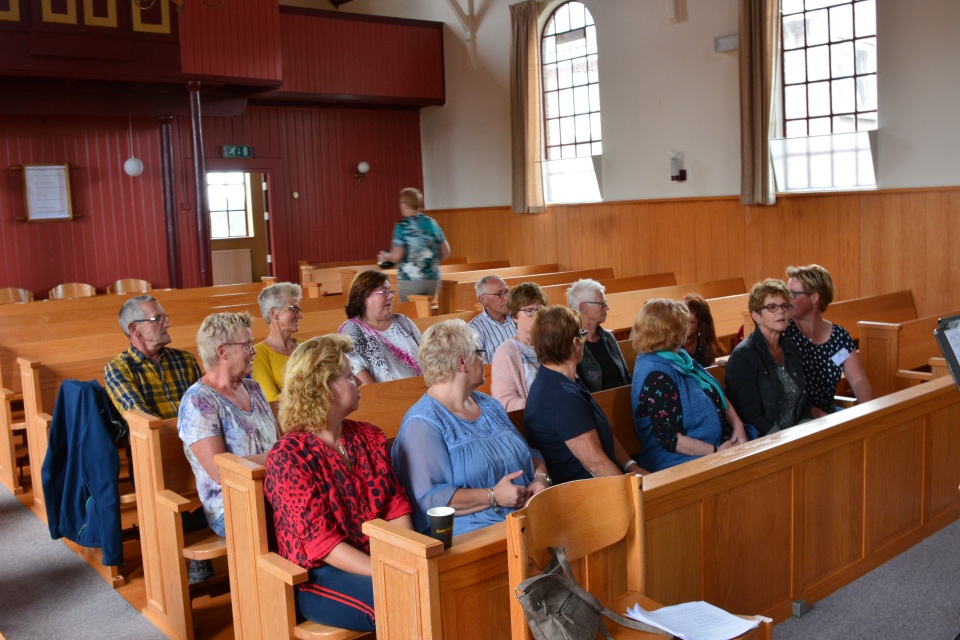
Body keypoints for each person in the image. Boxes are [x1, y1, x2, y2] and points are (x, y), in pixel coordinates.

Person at [264, 335, 413, 632]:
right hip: (320, 574)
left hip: (378, 555)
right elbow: (322, 543)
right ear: (324, 388)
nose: (357, 382)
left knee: (441, 574)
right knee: (400, 597)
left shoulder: (368, 436)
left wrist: (407, 556)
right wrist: (391, 570)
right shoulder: (289, 455)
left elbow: (395, 506)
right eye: (348, 376)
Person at [391, 319, 549, 536]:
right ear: (462, 362)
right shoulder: (422, 424)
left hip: (528, 516)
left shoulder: (490, 405)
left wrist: (541, 478)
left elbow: (529, 453)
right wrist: (493, 495)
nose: (484, 360)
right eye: (479, 354)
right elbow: (429, 498)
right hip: (475, 532)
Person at [178, 312, 278, 541]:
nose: (253, 351)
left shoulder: (253, 388)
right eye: (247, 345)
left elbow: (277, 441)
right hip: (232, 505)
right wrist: (279, 457)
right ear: (222, 351)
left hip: (274, 491)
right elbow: (219, 471)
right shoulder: (198, 401)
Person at [524, 306, 648, 484]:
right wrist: (635, 492)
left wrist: (631, 466)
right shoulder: (559, 397)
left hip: (601, 481)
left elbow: (602, 431)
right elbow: (595, 463)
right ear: (575, 343)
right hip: (584, 490)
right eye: (582, 334)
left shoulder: (563, 380)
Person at [631, 299, 752, 472]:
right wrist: (717, 452)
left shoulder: (679, 356)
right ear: (671, 331)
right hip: (678, 460)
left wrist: (738, 427)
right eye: (684, 324)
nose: (687, 328)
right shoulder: (656, 375)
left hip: (715, 445)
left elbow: (713, 391)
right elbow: (669, 439)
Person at [783, 264, 874, 416]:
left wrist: (871, 414)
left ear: (814, 297)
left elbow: (858, 380)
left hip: (827, 412)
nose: (787, 300)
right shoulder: (785, 332)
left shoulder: (839, 337)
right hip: (796, 416)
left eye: (793, 294)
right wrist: (815, 414)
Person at [725, 280, 811, 436]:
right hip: (766, 438)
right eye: (772, 307)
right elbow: (748, 413)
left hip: (796, 434)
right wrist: (782, 439)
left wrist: (806, 429)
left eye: (784, 306)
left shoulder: (791, 348)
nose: (781, 312)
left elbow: (803, 399)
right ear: (756, 316)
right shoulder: (743, 356)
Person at [104, 295, 202, 420]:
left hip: (196, 431)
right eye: (157, 319)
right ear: (134, 328)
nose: (167, 324)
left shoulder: (186, 359)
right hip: (156, 432)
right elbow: (140, 416)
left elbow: (204, 405)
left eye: (165, 318)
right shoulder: (118, 368)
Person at [338, 270, 423, 385]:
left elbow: (426, 354)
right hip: (387, 394)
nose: (390, 296)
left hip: (424, 388)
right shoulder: (352, 329)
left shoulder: (403, 321)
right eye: (383, 292)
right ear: (364, 297)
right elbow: (357, 372)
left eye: (390, 291)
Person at [376, 187, 451, 302]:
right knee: (425, 311)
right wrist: (430, 264)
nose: (400, 206)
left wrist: (385, 257)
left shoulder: (403, 226)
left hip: (410, 279)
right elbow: (446, 251)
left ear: (406, 204)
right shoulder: (432, 223)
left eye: (401, 202)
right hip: (432, 279)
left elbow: (397, 256)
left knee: (410, 312)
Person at [490, 282, 548, 411]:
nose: (537, 316)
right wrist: (544, 405)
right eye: (529, 311)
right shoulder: (506, 352)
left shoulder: (553, 342)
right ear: (514, 316)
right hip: (531, 417)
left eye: (540, 310)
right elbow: (505, 403)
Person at [566, 279, 631, 391]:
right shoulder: (571, 344)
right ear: (583, 308)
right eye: (602, 303)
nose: (607, 307)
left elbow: (626, 377)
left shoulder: (608, 337)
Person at [252, 282, 303, 410]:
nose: (300, 316)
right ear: (274, 313)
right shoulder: (257, 353)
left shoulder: (308, 346)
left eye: (299, 310)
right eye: (293, 309)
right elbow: (272, 401)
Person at [468, 275, 516, 365]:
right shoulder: (474, 330)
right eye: (499, 294)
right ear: (483, 300)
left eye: (506, 292)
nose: (507, 298)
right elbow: (476, 367)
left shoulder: (518, 316)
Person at [682, 293, 725, 367]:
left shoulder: (705, 343)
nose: (684, 324)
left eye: (691, 322)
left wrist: (714, 367)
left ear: (701, 324)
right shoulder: (672, 345)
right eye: (683, 319)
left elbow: (707, 368)